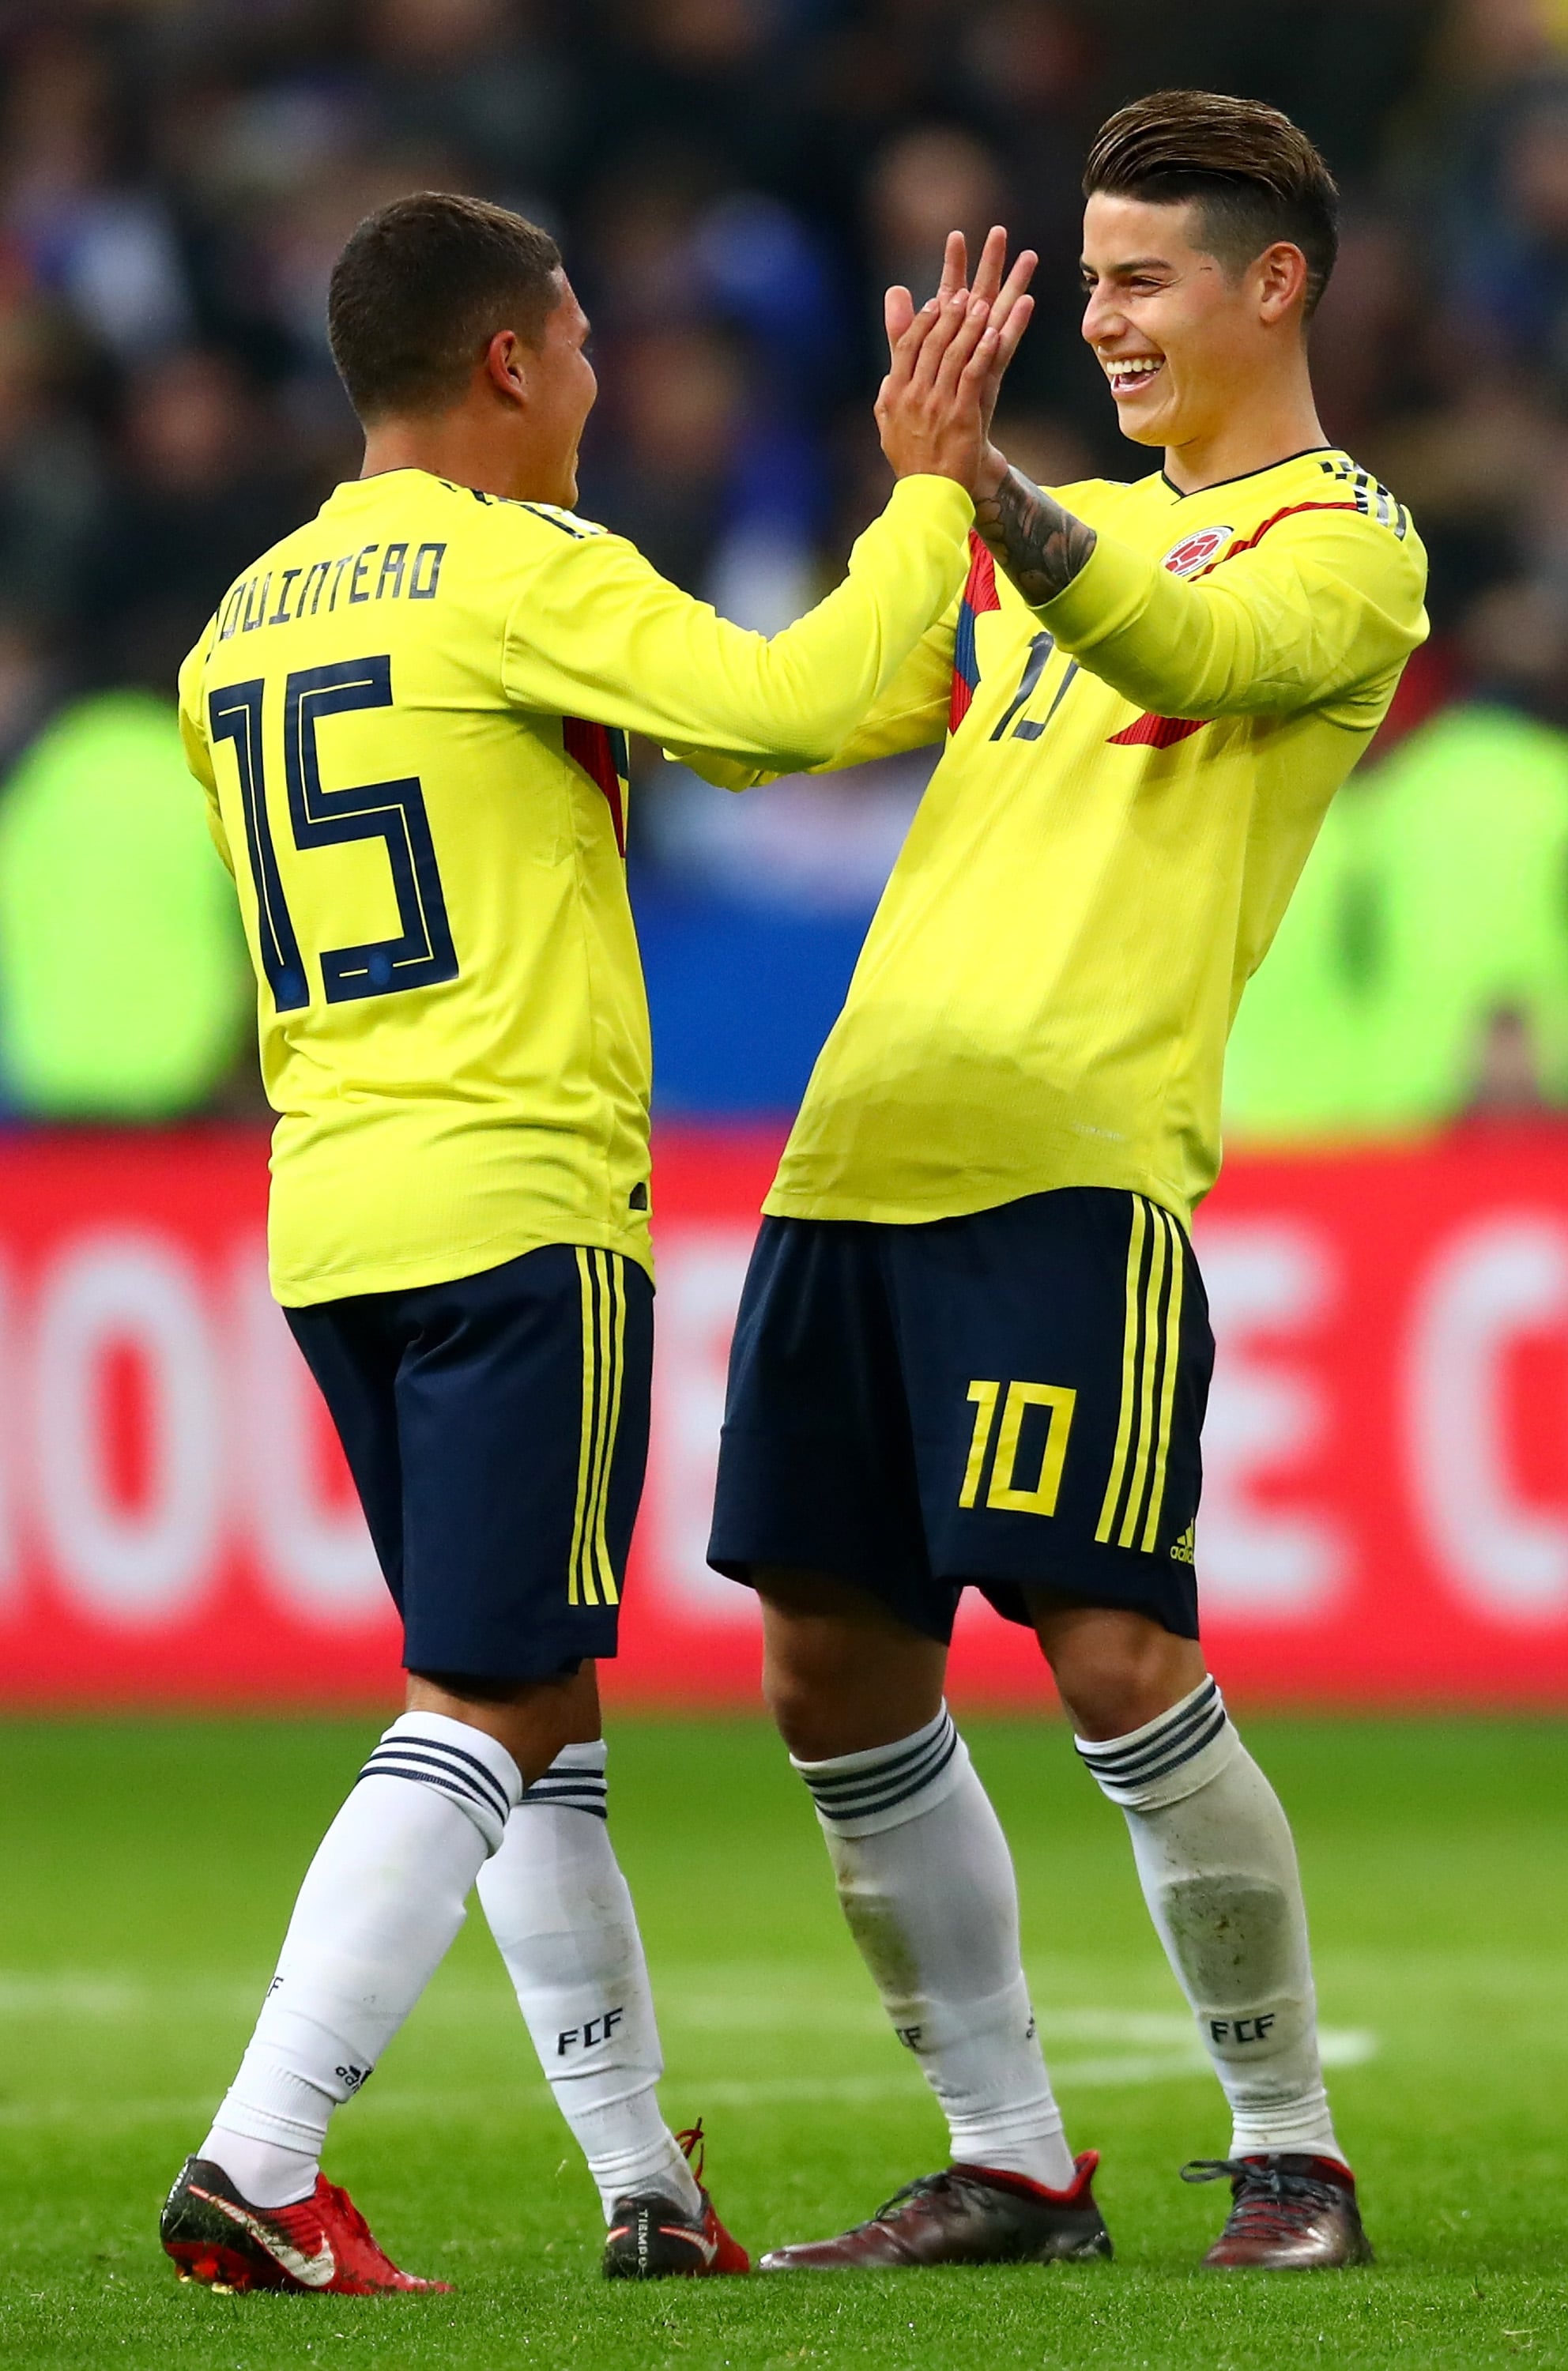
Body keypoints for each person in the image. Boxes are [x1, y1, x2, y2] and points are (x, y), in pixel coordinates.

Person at [159, 188, 1025, 2295]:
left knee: (531, 1698)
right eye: (583, 344)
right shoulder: (519, 565)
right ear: (509, 367)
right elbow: (805, 707)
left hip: (332, 1203)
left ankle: (645, 2185)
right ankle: (263, 2159)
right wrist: (929, 504)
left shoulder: (238, 625)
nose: (607, 383)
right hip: (515, 1199)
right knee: (491, 1700)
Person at [681, 92, 1429, 2272]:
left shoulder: (1339, 544)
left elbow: (1182, 660)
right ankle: (1007, 2156)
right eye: (1083, 279)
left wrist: (990, 491)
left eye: (1136, 280)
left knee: (1108, 1647)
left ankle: (1293, 2151)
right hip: (856, 1154)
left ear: (1270, 282)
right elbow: (816, 712)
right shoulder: (1037, 539)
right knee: (829, 1670)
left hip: (1070, 1166)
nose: (1096, 319)